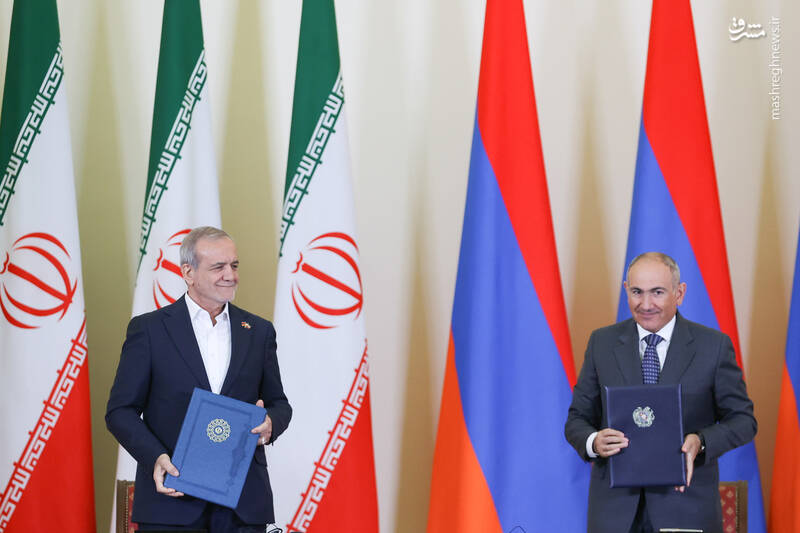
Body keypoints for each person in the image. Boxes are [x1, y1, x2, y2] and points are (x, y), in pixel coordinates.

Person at [106, 226, 292, 532]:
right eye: (218, 267)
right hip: (172, 501)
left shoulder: (259, 332)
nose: (230, 275)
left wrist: (271, 423)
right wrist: (156, 456)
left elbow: (279, 403)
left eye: (234, 265)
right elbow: (119, 411)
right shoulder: (149, 330)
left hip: (243, 505)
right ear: (188, 273)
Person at [564, 252, 756, 533]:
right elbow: (577, 420)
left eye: (657, 292)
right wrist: (594, 441)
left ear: (679, 293)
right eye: (637, 292)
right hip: (615, 515)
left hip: (686, 508)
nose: (646, 304)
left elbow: (744, 421)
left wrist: (701, 441)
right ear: (626, 290)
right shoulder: (601, 343)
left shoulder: (713, 347)